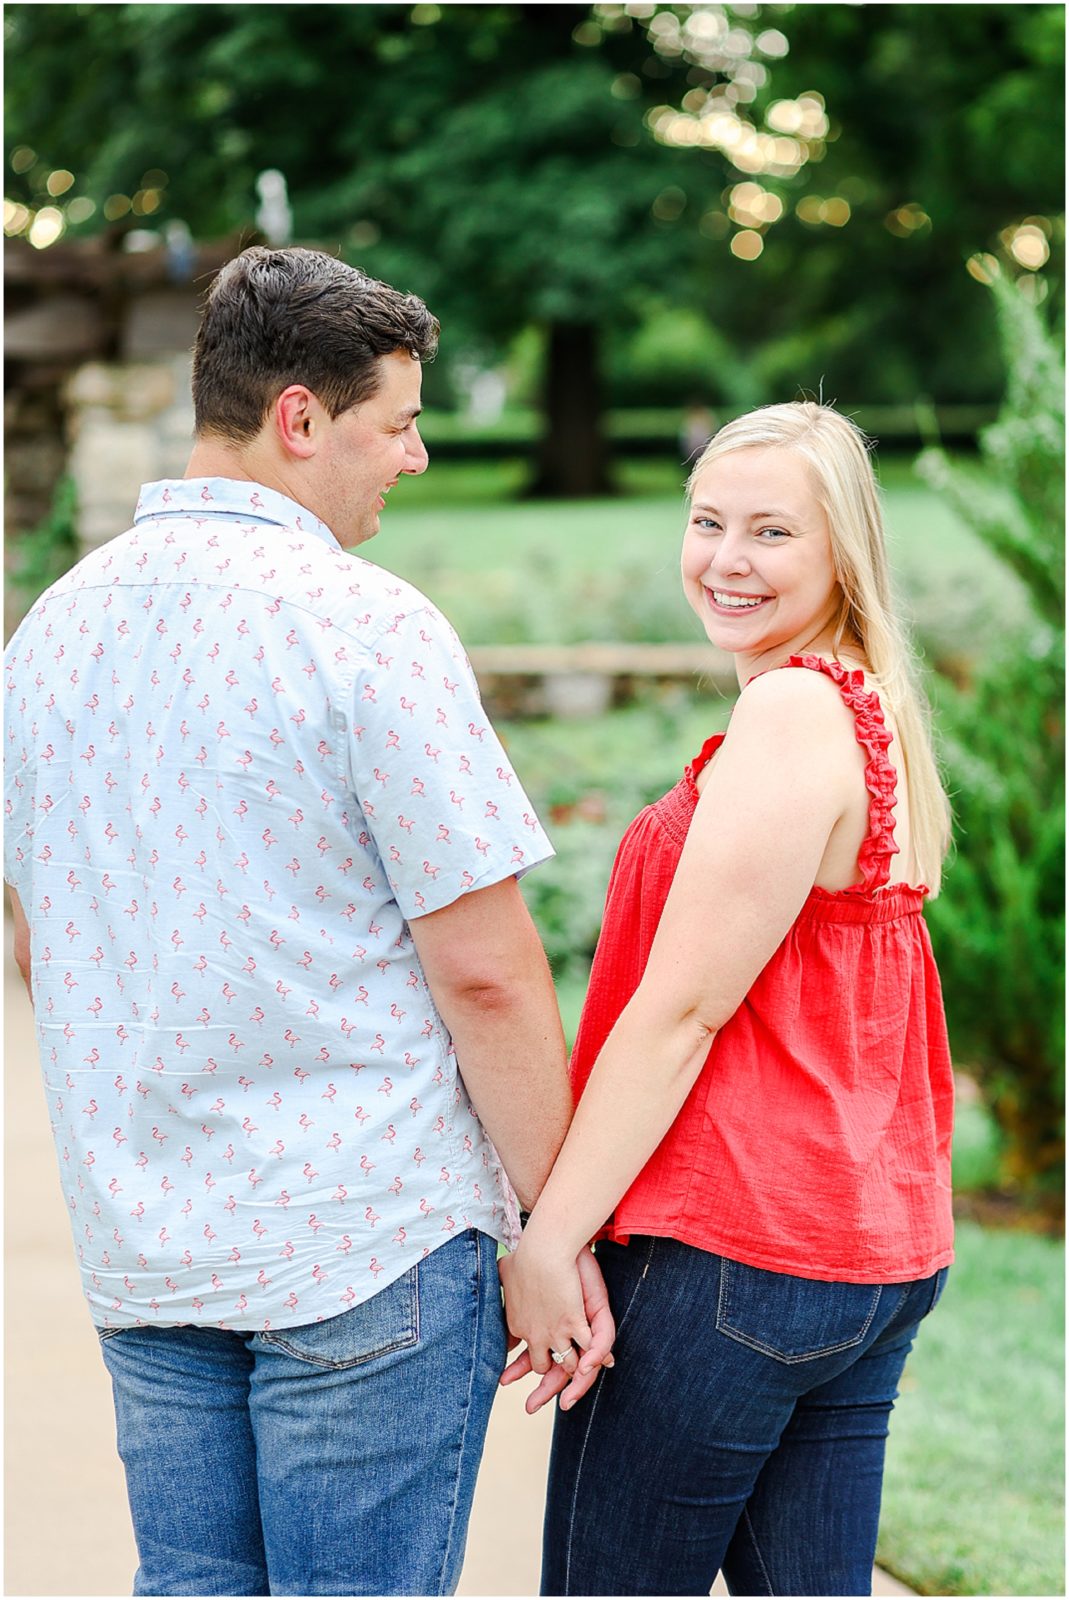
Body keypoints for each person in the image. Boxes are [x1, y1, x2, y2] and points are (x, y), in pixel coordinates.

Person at [3, 244, 611, 1598]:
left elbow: (43, 944)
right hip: (365, 1242)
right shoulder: (367, 628)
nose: (416, 456)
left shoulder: (47, 635)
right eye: (396, 424)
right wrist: (557, 1224)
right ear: (298, 417)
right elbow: (489, 973)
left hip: (147, 1243)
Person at [500, 401, 955, 1596]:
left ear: (840, 555)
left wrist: (550, 1238)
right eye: (707, 522)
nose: (725, 559)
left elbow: (681, 1012)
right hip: (861, 1252)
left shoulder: (794, 709)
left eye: (769, 532)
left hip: (732, 1251)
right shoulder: (871, 705)